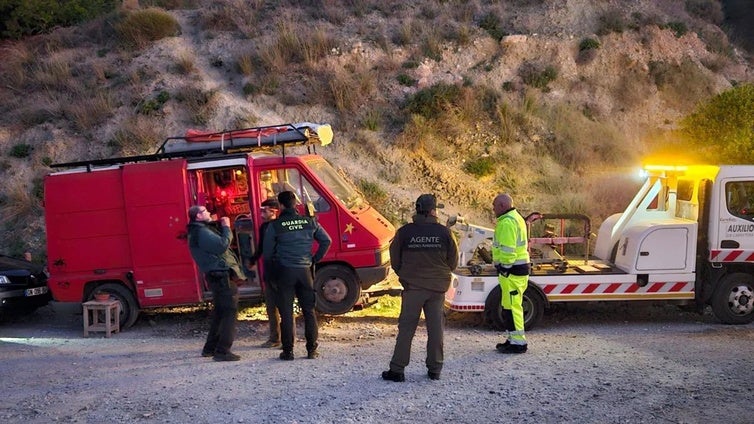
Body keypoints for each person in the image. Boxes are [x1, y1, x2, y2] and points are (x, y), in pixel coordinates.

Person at [382, 194, 459, 382]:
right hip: (437, 288)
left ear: (417, 210)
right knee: (435, 329)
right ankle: (435, 369)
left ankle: (397, 370)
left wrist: (406, 276)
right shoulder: (445, 233)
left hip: (413, 287)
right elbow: (453, 262)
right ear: (433, 211)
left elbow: (395, 260)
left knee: (406, 329)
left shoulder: (404, 232)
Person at [263, 191, 332, 361]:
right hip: (305, 271)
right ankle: (311, 350)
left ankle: (288, 351)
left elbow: (267, 253)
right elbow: (326, 241)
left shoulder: (275, 226)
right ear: (295, 204)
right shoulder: (309, 222)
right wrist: (314, 259)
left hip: (285, 271)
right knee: (309, 311)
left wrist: (271, 274)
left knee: (286, 313)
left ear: (281, 205)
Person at [186, 205, 246, 361]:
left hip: (216, 276)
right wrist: (227, 228)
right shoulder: (201, 232)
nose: (209, 213)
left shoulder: (198, 230)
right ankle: (223, 351)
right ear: (198, 216)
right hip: (221, 277)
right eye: (205, 211)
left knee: (220, 312)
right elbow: (221, 245)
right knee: (229, 313)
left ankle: (210, 348)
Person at [491, 193, 531, 354]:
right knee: (508, 306)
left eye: (494, 205)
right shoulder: (515, 218)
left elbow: (508, 250)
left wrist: (504, 268)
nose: (493, 209)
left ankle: (519, 343)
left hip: (512, 272)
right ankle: (512, 339)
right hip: (514, 272)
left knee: (513, 307)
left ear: (502, 206)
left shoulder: (507, 223)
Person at [248, 198, 283, 348]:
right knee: (271, 306)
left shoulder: (281, 227)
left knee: (285, 307)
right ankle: (275, 338)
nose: (261, 213)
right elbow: (261, 246)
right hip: (269, 271)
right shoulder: (264, 228)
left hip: (281, 271)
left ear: (274, 211)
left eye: (264, 210)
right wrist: (253, 259)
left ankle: (286, 339)